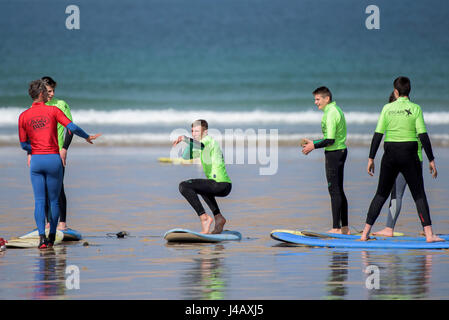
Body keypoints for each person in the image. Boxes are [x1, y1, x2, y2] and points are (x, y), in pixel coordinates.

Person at [18, 79, 101, 249]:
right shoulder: (54, 111)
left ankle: (42, 239)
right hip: (53, 159)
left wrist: (35, 148)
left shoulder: (23, 116)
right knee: (54, 201)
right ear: (41, 94)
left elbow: (23, 144)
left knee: (40, 201)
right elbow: (72, 127)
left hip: (36, 161)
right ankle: (52, 237)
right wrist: (86, 136)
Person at [361, 76, 442, 242]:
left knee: (381, 194)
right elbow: (423, 136)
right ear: (409, 91)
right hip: (410, 153)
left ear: (396, 91)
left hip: (390, 153)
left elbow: (377, 135)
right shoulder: (416, 108)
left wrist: (371, 158)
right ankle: (429, 235)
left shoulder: (387, 108)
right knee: (418, 194)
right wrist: (431, 159)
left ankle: (364, 234)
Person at [372, 92, 423, 237]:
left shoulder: (396, 116)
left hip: (405, 160)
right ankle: (427, 229)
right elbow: (421, 139)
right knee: (419, 195)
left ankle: (389, 228)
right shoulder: (413, 113)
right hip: (416, 159)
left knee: (397, 194)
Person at [27, 76, 74, 231]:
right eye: (48, 91)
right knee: (44, 190)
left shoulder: (61, 104)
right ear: (41, 92)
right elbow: (30, 130)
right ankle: (48, 222)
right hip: (40, 153)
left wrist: (65, 148)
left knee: (58, 188)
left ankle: (62, 223)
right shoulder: (37, 106)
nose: (52, 94)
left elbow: (71, 128)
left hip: (57, 152)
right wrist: (29, 152)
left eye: (53, 90)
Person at [302, 87, 350, 234]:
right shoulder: (335, 110)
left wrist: (313, 145)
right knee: (339, 190)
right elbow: (330, 138)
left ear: (326, 98)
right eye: (315, 99)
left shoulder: (331, 113)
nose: (316, 102)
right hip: (339, 151)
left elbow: (330, 139)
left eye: (318, 99)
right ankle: (344, 228)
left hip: (334, 154)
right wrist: (314, 142)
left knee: (334, 191)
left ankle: (336, 228)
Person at [173, 120, 232, 234]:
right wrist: (189, 142)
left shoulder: (208, 140)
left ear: (205, 132)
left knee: (184, 186)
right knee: (201, 188)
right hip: (221, 185)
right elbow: (186, 157)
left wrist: (185, 138)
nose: (194, 133)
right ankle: (218, 217)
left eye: (197, 131)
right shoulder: (201, 145)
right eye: (192, 131)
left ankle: (204, 218)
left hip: (220, 184)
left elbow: (200, 145)